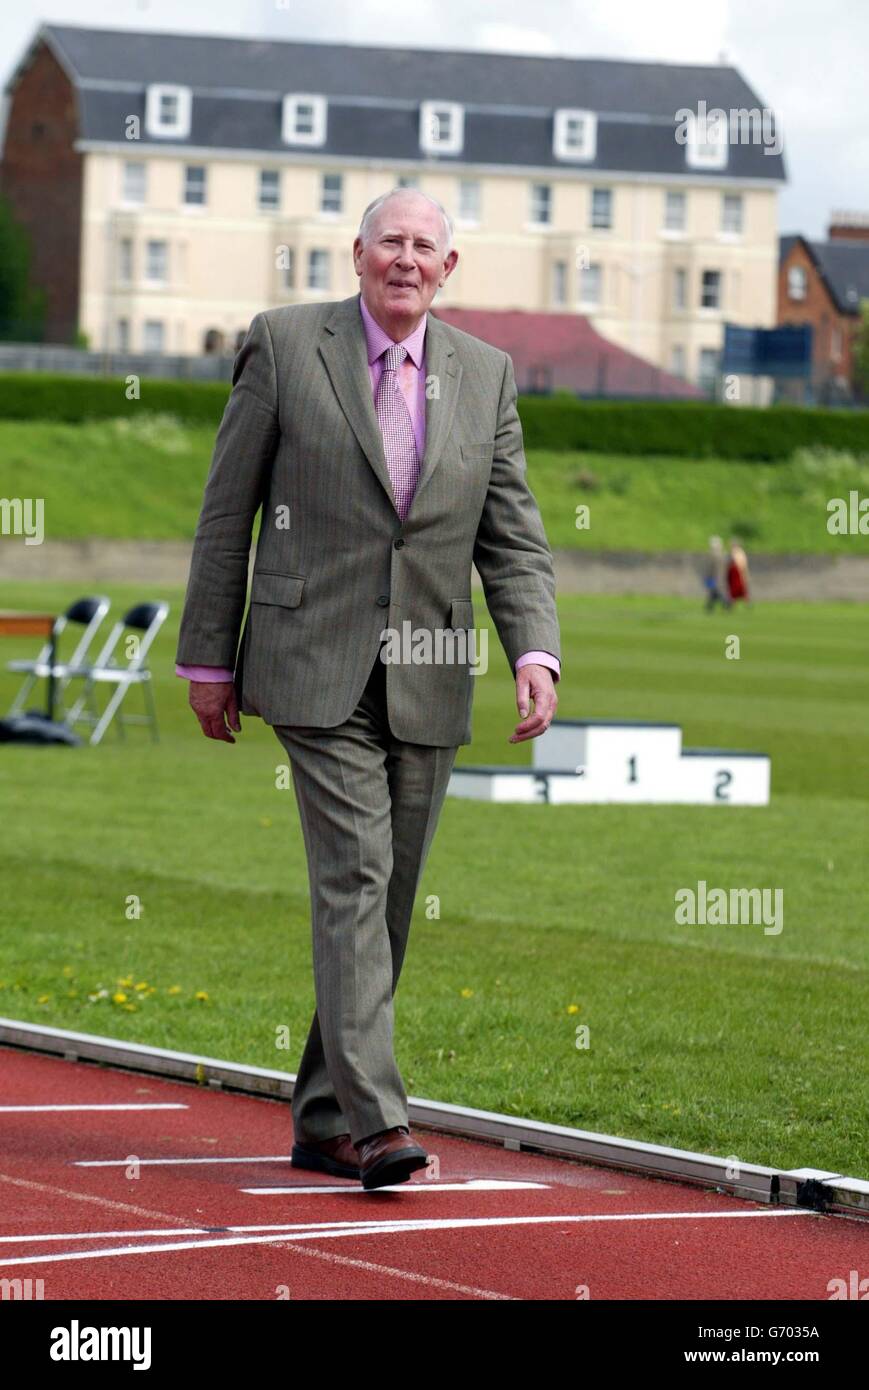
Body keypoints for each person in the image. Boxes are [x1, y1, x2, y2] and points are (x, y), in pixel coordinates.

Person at [174, 188, 562, 1190]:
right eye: (388, 241)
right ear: (355, 255)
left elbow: (510, 534)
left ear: (448, 267)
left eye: (422, 246)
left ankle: (319, 1117)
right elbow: (228, 512)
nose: (404, 258)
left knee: (388, 903)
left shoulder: (486, 375)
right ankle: (380, 1122)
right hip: (312, 664)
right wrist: (207, 657)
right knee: (353, 876)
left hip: (429, 671)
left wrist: (533, 650)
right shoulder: (283, 343)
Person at [703, 535, 730, 611]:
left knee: (717, 591)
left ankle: (726, 604)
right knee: (715, 592)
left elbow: (710, 567)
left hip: (714, 577)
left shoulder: (713, 555)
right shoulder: (723, 554)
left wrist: (708, 575)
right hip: (721, 576)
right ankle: (710, 606)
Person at [727, 536, 751, 606]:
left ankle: (745, 602)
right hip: (734, 573)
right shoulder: (733, 552)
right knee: (735, 589)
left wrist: (743, 573)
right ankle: (733, 603)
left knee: (739, 588)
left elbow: (742, 564)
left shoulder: (738, 552)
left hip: (737, 572)